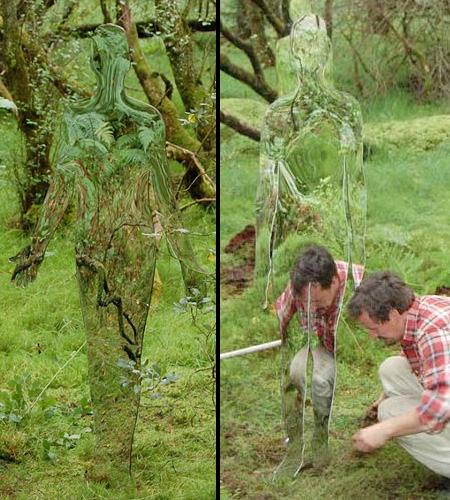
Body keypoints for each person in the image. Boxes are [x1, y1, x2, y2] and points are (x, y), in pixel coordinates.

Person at [347, 270, 450, 484]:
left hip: (444, 402)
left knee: (390, 413)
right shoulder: (420, 309)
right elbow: (419, 358)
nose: (372, 336)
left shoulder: (434, 333)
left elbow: (439, 408)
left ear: (393, 314)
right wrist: (381, 398)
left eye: (373, 328)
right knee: (391, 369)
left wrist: (384, 430)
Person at [276, 245, 364, 449]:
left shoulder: (359, 284)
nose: (310, 308)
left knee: (322, 380)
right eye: (304, 302)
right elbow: (277, 322)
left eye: (315, 301)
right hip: (324, 347)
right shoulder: (299, 288)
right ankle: (317, 432)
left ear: (334, 282)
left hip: (358, 354)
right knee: (300, 372)